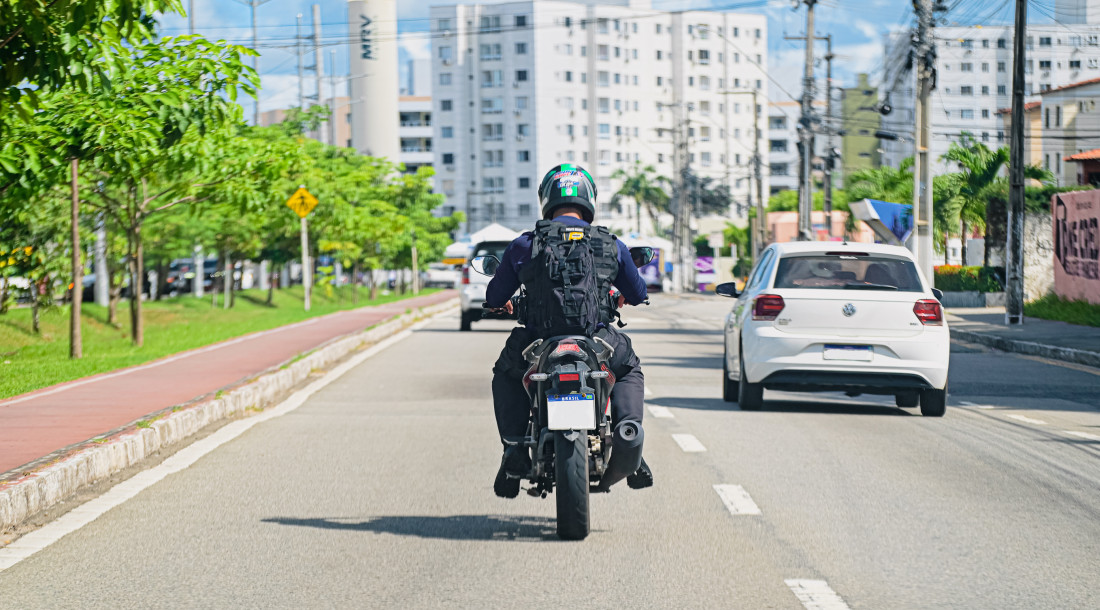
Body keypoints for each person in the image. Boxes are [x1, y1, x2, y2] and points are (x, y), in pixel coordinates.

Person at [484, 163, 653, 498]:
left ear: (546, 198)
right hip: (598, 340)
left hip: (537, 341)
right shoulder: (610, 244)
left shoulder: (525, 245)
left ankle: (514, 448)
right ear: (588, 198)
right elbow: (638, 294)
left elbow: (493, 297)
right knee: (629, 368)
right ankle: (627, 433)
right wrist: (617, 297)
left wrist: (502, 304)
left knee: (505, 373)